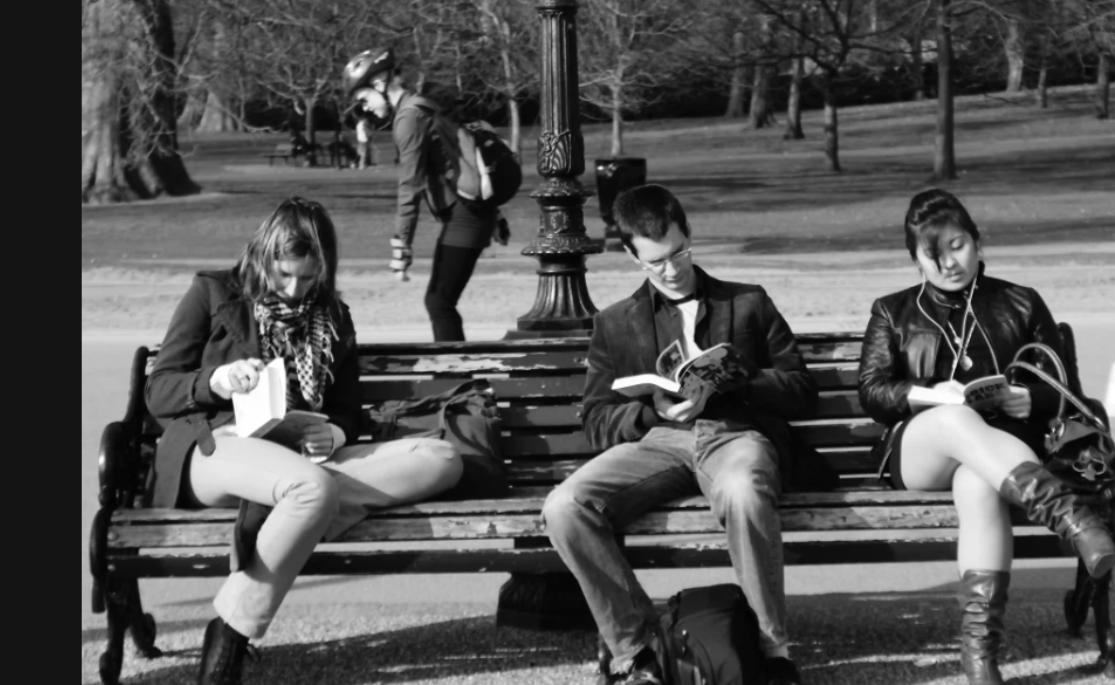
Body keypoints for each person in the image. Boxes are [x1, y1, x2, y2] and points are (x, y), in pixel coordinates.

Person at [145, 197, 463, 684]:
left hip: (298, 461)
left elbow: (347, 410)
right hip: (216, 446)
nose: (295, 291)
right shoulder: (213, 292)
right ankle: (231, 632)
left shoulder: (334, 315)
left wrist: (332, 430)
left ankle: (302, 510)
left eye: (309, 278)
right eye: (284, 275)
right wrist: (218, 380)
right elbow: (159, 389)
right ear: (262, 256)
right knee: (312, 489)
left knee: (440, 458)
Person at [541, 184, 816, 685]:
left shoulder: (748, 302)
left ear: (688, 233)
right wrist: (649, 413)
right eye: (655, 262)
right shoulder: (615, 323)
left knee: (742, 492)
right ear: (630, 255)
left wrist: (741, 378)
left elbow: (801, 390)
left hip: (735, 435)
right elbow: (596, 419)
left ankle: (772, 654)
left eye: (679, 252)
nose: (671, 269)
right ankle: (636, 650)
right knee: (565, 506)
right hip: (659, 443)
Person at [857, 188, 1115, 685]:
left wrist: (1031, 399)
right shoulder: (893, 311)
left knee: (979, 487)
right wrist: (935, 395)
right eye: (932, 254)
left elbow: (1068, 393)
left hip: (997, 458)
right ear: (915, 259)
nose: (948, 263)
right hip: (921, 452)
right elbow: (871, 392)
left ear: (977, 241)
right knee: (955, 419)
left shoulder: (1020, 302)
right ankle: (1070, 516)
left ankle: (981, 659)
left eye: (957, 245)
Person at [342, 47, 498, 341]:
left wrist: (402, 243)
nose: (364, 108)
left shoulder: (408, 119)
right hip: (472, 213)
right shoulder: (421, 105)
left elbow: (409, 185)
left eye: (363, 99)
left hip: (465, 216)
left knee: (439, 301)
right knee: (440, 301)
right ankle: (463, 381)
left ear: (379, 84)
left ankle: (464, 382)